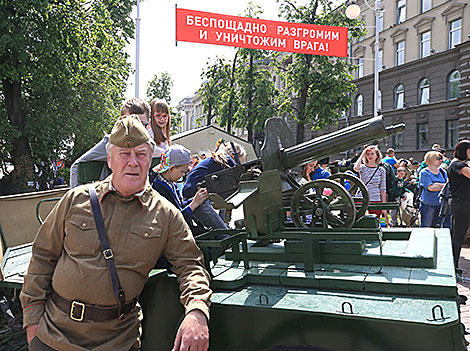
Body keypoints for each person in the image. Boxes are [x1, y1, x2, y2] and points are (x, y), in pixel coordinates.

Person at [21, 115, 211, 351]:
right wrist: (32, 324)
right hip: (53, 335)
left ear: (149, 160)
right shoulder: (76, 200)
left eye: (141, 154)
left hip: (117, 341)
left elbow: (190, 265)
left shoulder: (165, 215)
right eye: (124, 154)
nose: (133, 162)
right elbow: (42, 256)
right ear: (110, 160)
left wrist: (197, 310)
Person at [70, 98, 152, 188]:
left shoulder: (149, 145)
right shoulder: (111, 142)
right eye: (129, 124)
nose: (135, 131)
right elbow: (77, 166)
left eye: (140, 125)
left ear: (148, 125)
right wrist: (79, 198)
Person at [183, 142, 247, 229]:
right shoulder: (227, 160)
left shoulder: (216, 160)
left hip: (192, 197)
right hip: (198, 199)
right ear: (233, 155)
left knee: (222, 230)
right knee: (223, 235)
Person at [152, 144, 209, 235]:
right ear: (171, 168)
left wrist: (197, 198)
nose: (183, 175)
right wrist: (194, 203)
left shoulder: (170, 183)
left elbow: (179, 205)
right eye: (182, 171)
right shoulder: (159, 189)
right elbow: (175, 219)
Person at [448, 140, 470, 272]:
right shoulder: (457, 165)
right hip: (461, 204)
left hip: (462, 203)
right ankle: (453, 265)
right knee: (458, 236)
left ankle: (454, 264)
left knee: (458, 235)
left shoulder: (459, 164)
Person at [353, 145, 388, 225]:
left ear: (377, 155)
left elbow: (383, 188)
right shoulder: (363, 168)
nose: (370, 156)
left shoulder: (381, 170)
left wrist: (383, 205)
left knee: (376, 222)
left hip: (375, 197)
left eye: (372, 154)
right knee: (359, 221)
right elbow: (356, 168)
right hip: (361, 197)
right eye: (368, 154)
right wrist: (362, 154)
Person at [418, 150, 450, 228]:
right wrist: (440, 186)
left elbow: (448, 185)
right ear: (431, 159)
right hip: (428, 204)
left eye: (441, 158)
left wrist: (436, 184)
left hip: (442, 204)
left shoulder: (443, 172)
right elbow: (431, 188)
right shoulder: (424, 172)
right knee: (427, 227)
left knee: (441, 228)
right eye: (438, 158)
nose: (441, 160)